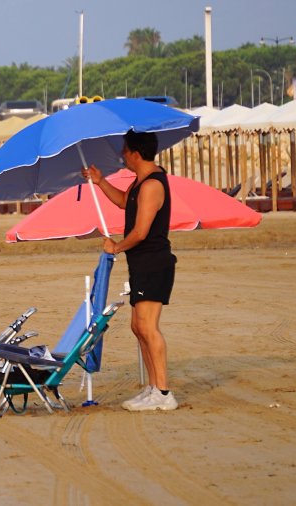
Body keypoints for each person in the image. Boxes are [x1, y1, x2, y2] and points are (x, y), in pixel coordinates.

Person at [81, 129, 178, 412]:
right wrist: (100, 182)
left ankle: (163, 392)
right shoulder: (140, 183)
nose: (122, 155)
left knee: (148, 326)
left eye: (125, 150)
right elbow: (125, 202)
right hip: (142, 264)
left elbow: (140, 231)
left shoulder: (152, 185)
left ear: (136, 153)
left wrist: (116, 247)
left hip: (154, 263)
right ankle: (153, 388)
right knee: (138, 326)